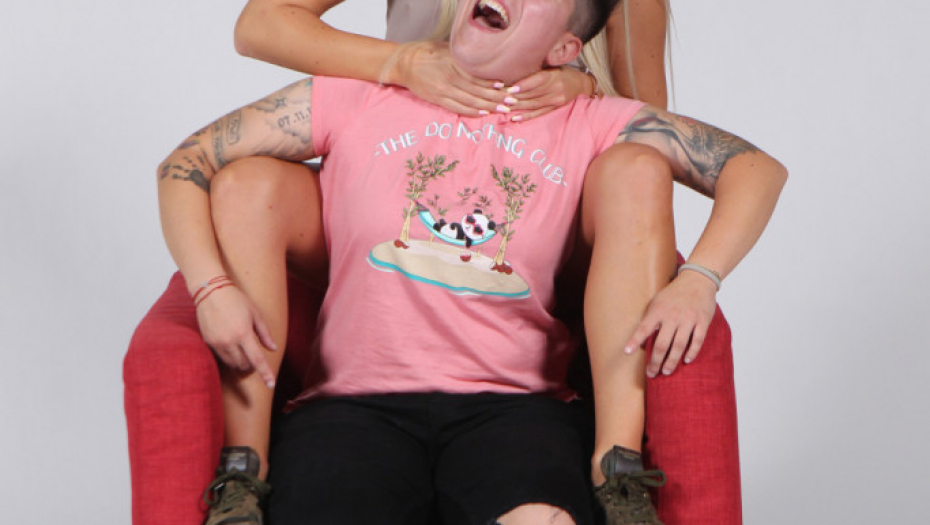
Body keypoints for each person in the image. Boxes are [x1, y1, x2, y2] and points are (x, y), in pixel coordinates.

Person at [156, 0, 786, 524]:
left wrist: (699, 277)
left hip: (514, 406)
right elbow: (189, 159)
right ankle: (242, 472)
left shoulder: (590, 119)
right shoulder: (360, 94)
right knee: (248, 182)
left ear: (566, 48)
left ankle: (617, 473)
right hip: (354, 405)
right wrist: (209, 287)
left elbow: (754, 168)